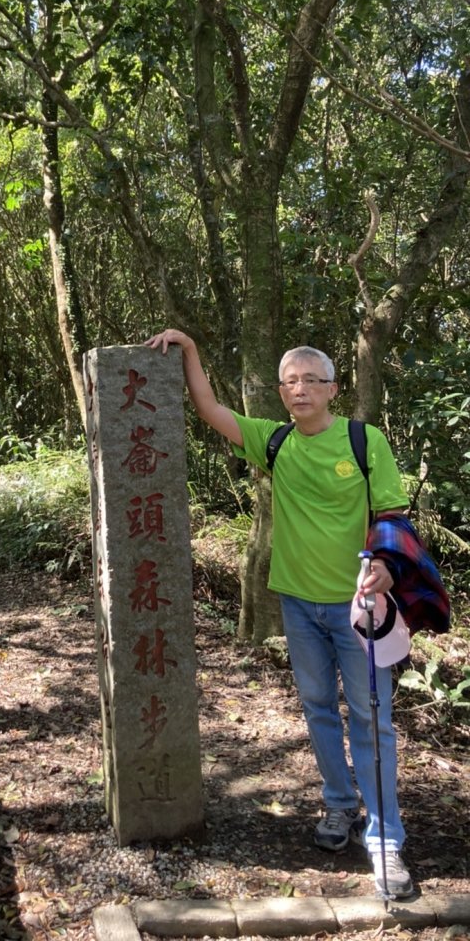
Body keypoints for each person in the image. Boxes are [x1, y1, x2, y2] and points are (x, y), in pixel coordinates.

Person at [146, 330, 413, 899]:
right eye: (289, 381)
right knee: (319, 709)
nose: (298, 390)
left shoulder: (365, 442)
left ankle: (386, 837)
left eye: (310, 381)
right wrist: (192, 350)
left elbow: (392, 511)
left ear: (332, 389)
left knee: (372, 717)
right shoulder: (274, 441)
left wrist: (388, 564)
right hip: (296, 601)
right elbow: (209, 409)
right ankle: (340, 806)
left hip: (358, 607)